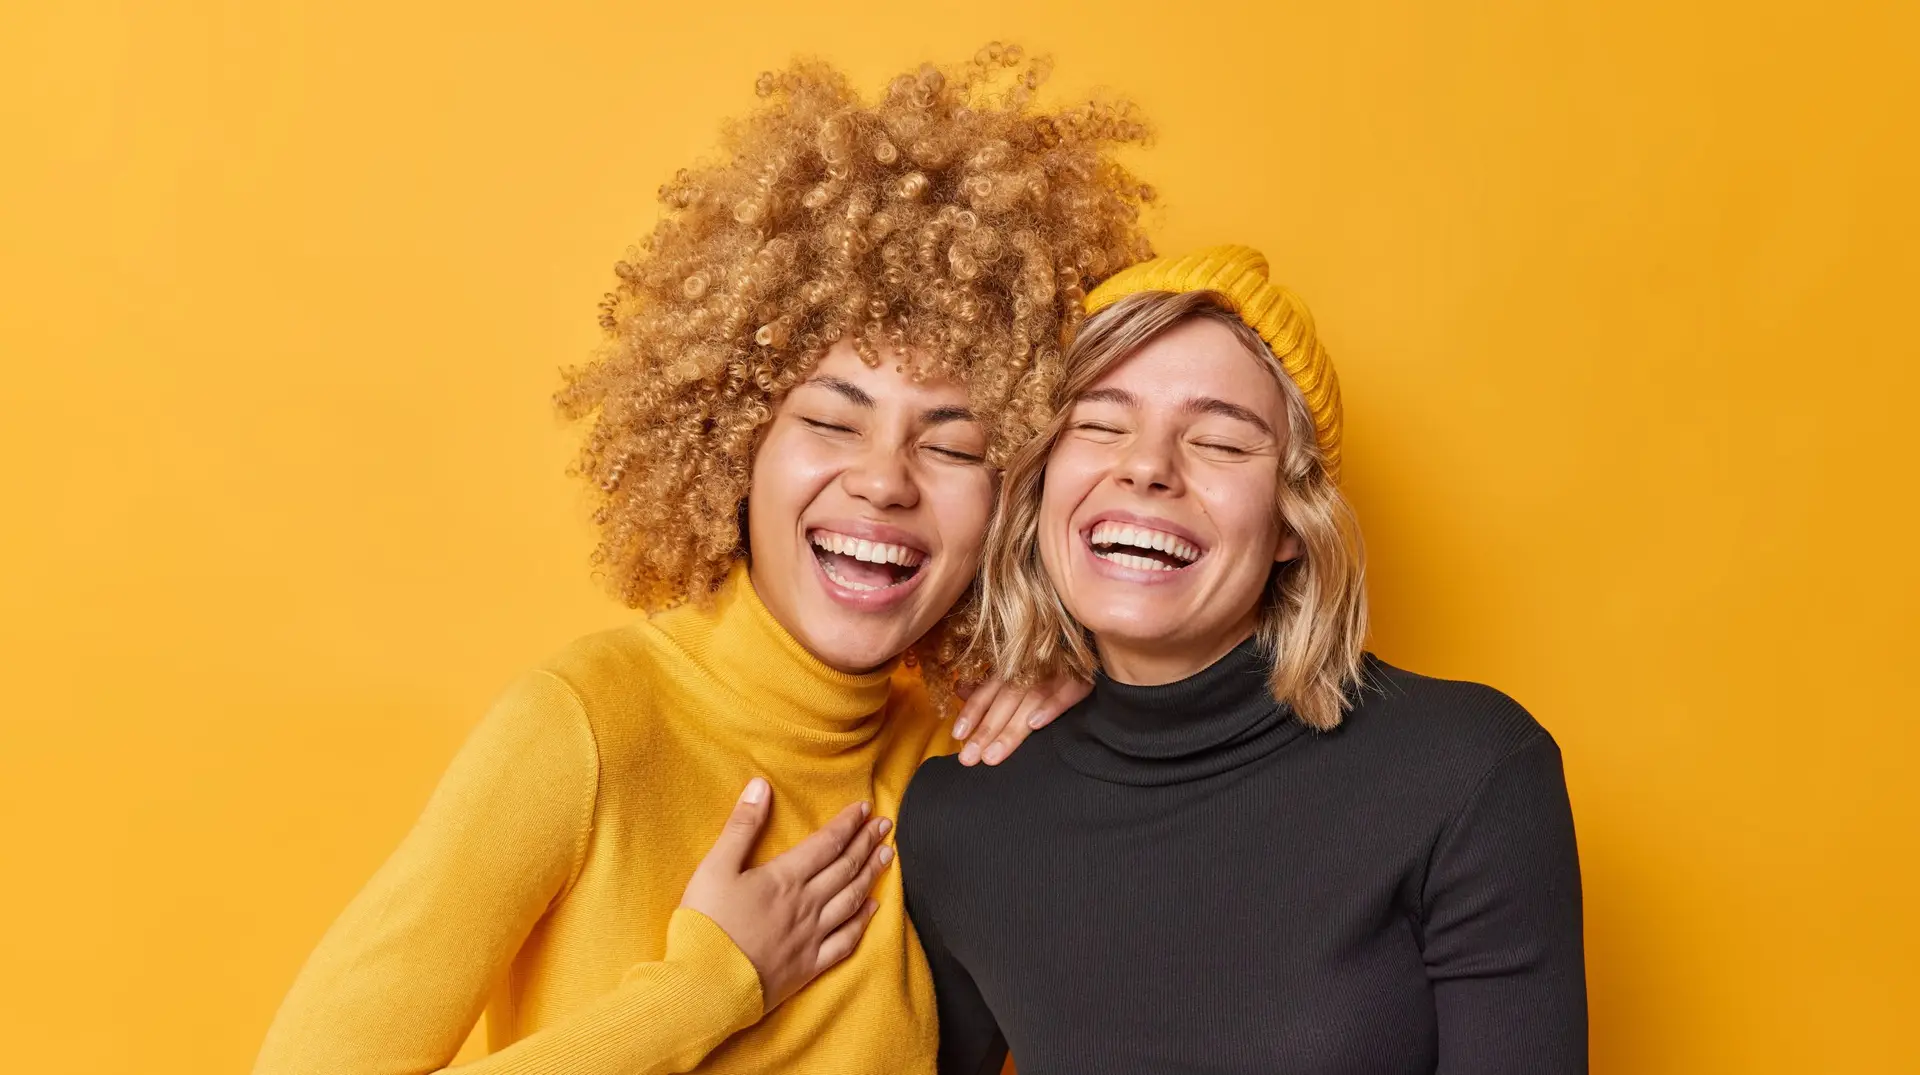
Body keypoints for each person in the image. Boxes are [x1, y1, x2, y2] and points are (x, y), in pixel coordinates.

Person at [253, 45, 1153, 1075]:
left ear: (1011, 496)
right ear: (734, 441)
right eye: (831, 420)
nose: (885, 481)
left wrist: (1095, 702)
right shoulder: (587, 724)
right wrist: (704, 990)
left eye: (952, 444)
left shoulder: (957, 772)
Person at [899, 246, 1588, 1074]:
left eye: (1221, 442)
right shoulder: (958, 817)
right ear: (1044, 483)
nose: (1147, 466)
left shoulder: (1468, 772)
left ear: (1293, 522)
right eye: (1100, 424)